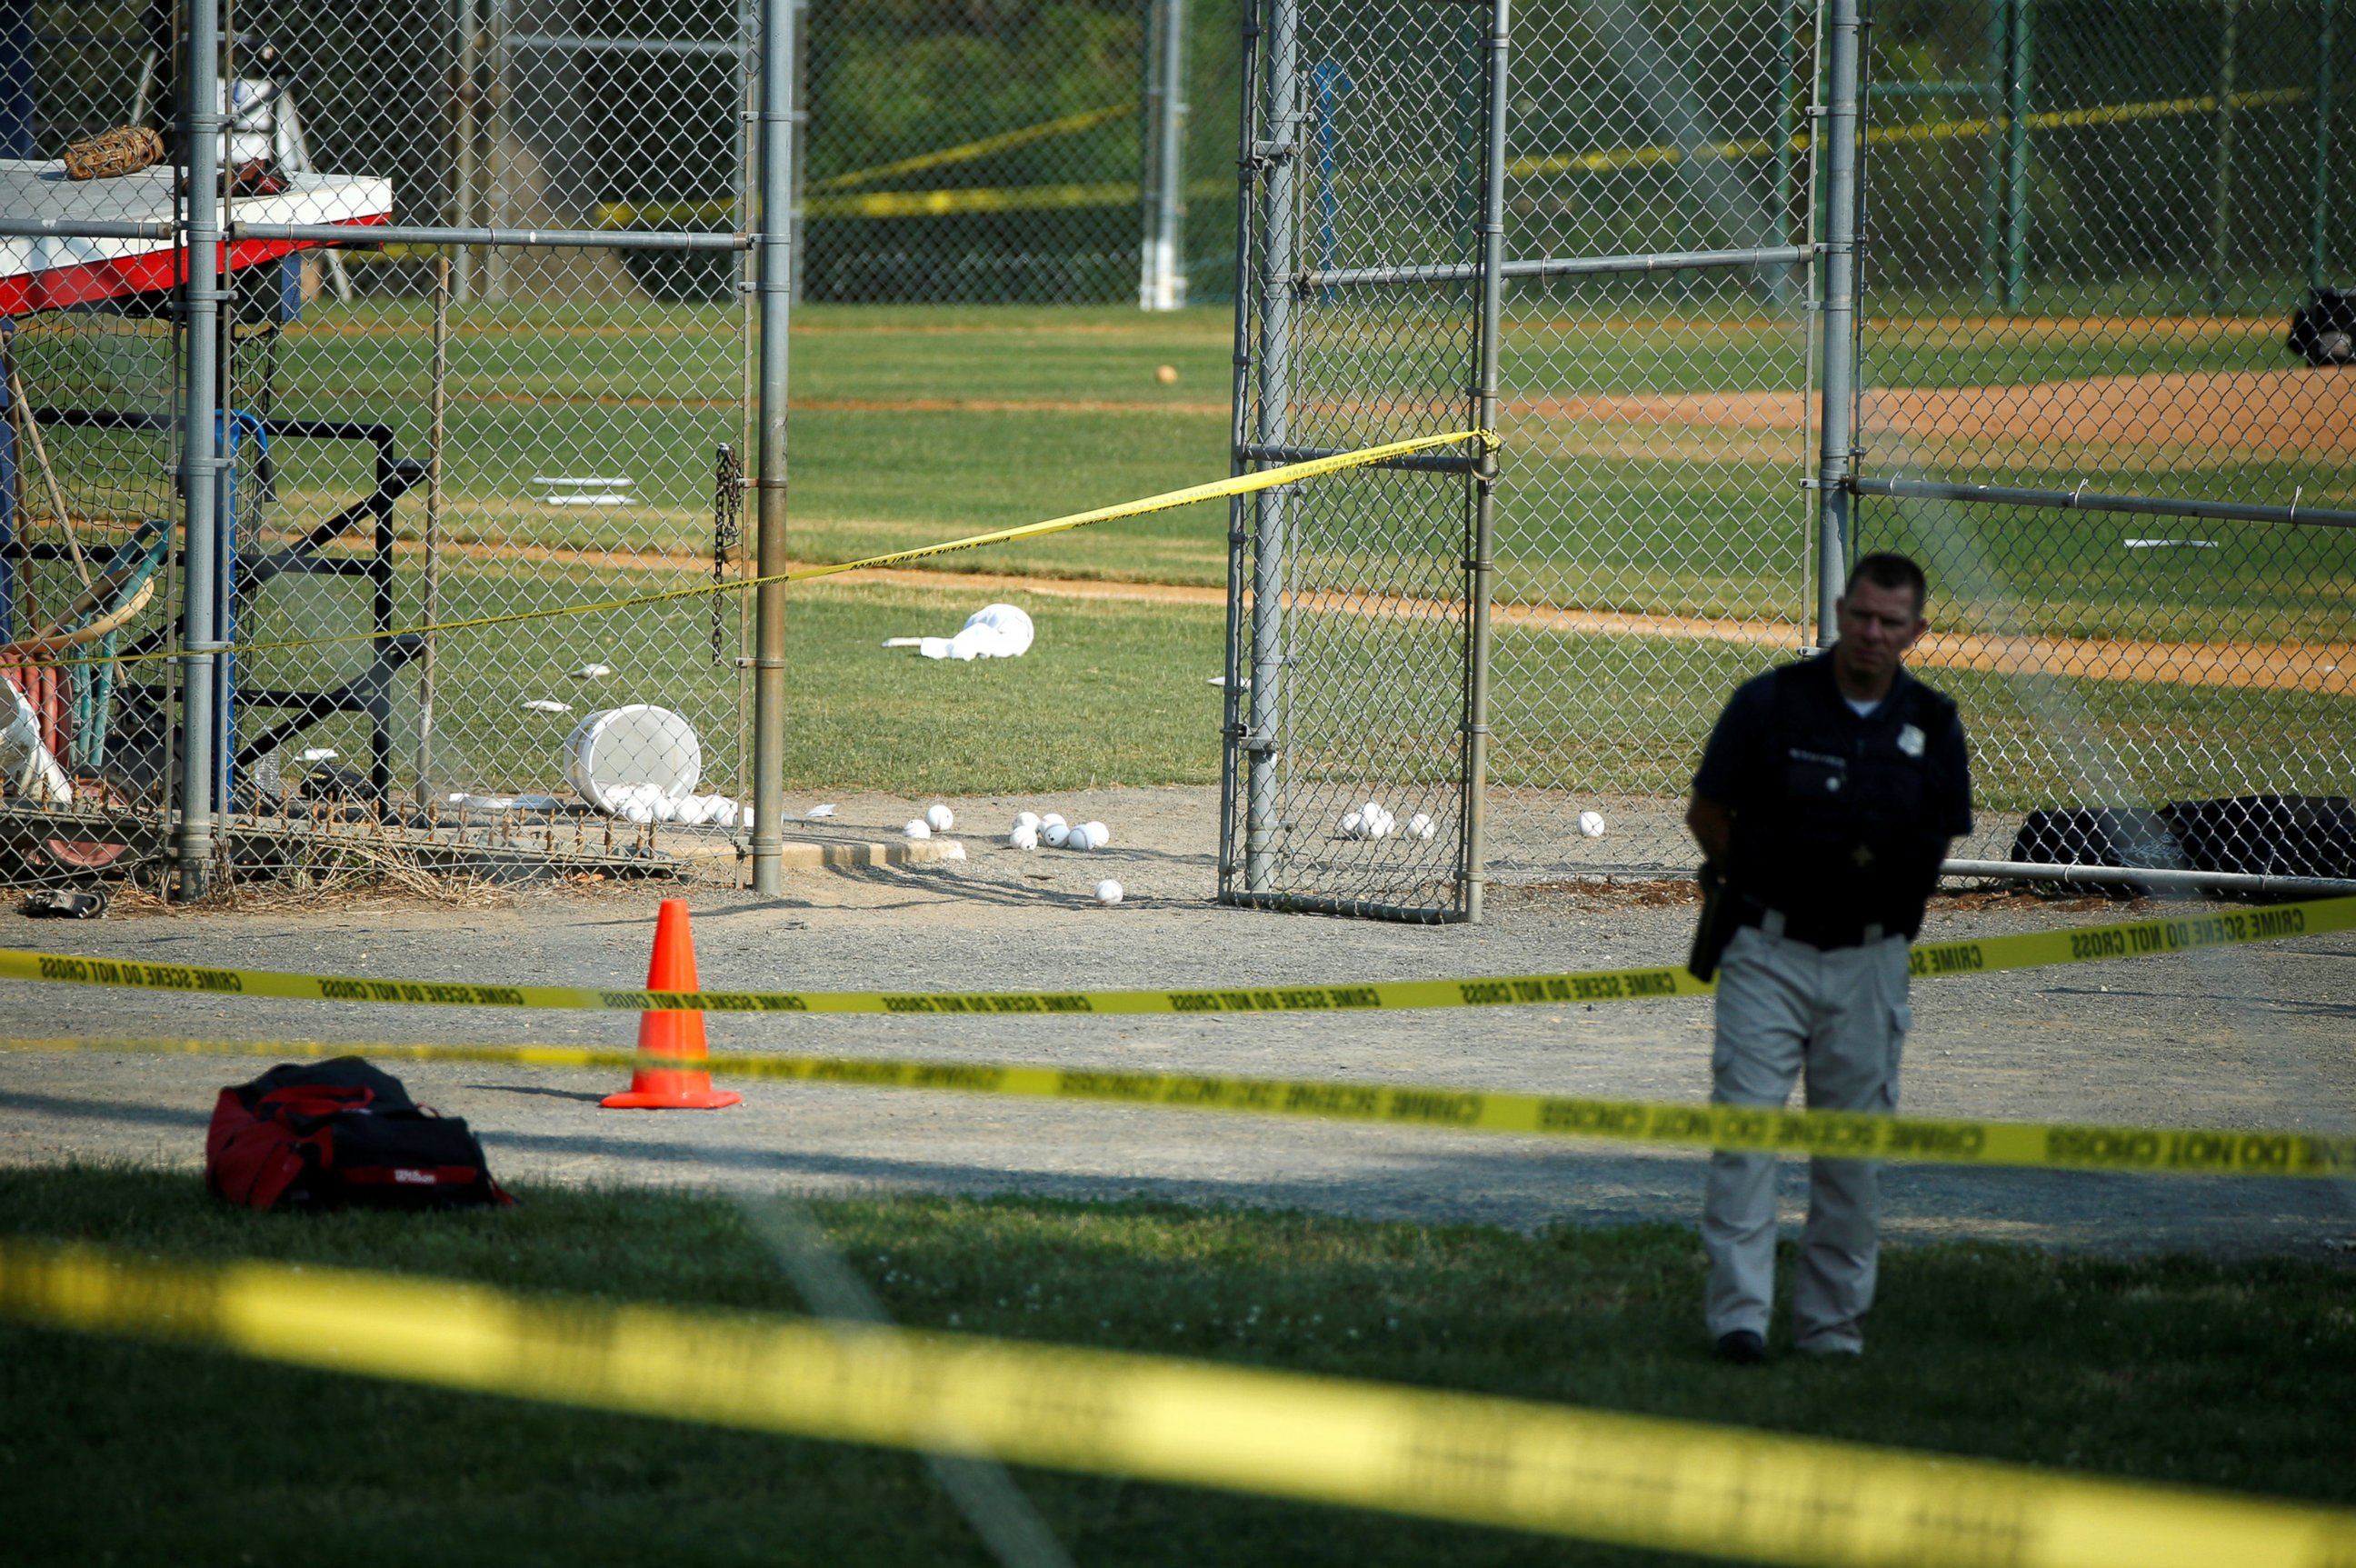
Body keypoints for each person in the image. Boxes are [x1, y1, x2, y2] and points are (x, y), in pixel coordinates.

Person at [1684, 552, 1972, 1363]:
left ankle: (1830, 1328)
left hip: (1868, 961)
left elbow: (1938, 838)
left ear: (1916, 631)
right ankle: (1739, 1321)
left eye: (1891, 623)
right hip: (1766, 950)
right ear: (1841, 610)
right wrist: (1763, 874)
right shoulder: (1771, 704)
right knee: (1745, 1137)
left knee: (1852, 1157)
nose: (1872, 635)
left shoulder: (1935, 725)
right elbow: (1706, 810)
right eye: (1861, 616)